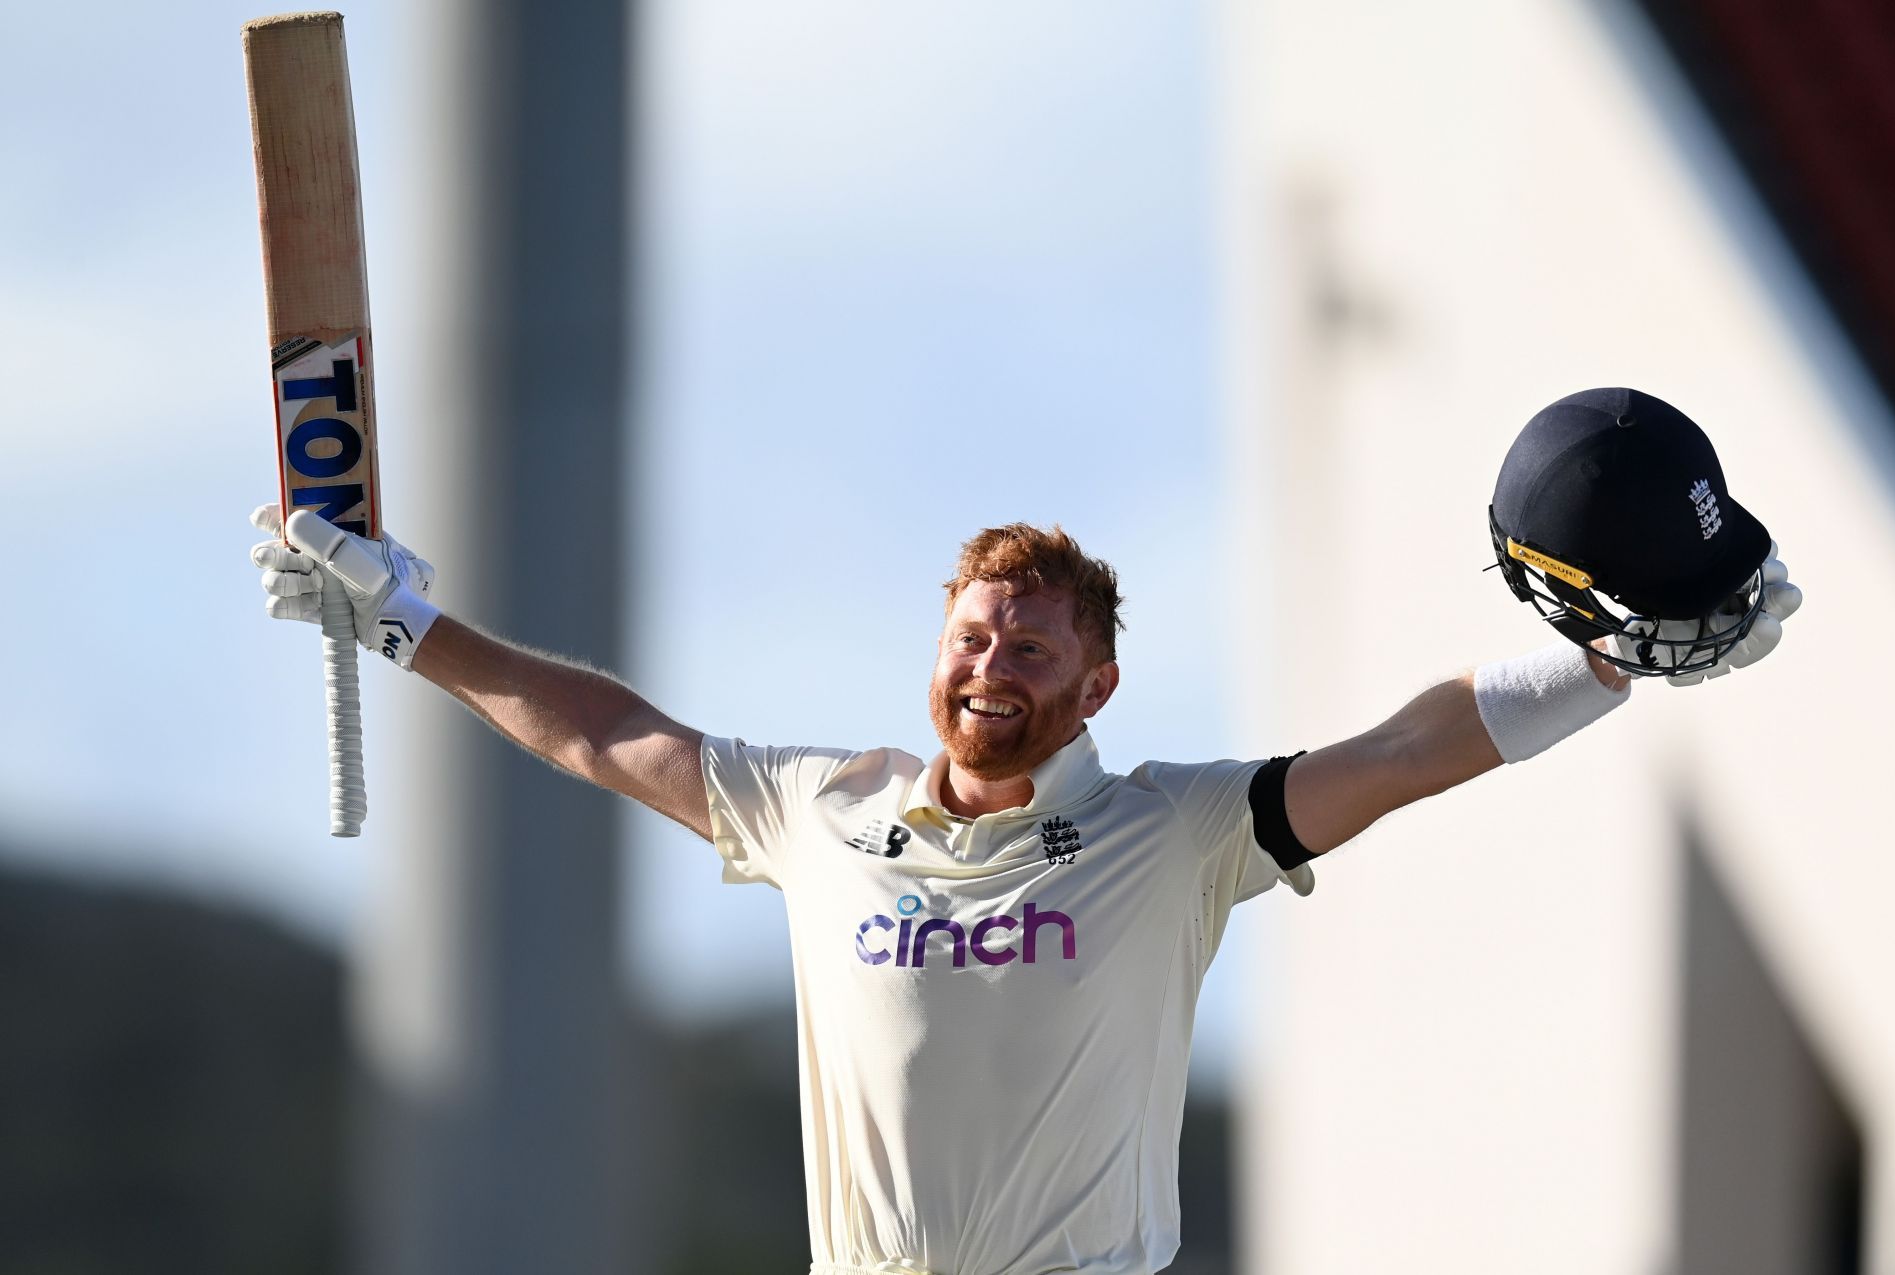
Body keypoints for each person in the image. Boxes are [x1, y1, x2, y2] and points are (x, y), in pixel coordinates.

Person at [248, 387, 1801, 1275]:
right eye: (976, 637)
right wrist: (407, 627)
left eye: (1033, 647)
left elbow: (1400, 751)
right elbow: (604, 732)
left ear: (1097, 683)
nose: (993, 666)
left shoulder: (1174, 832)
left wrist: (1614, 661)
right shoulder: (823, 810)